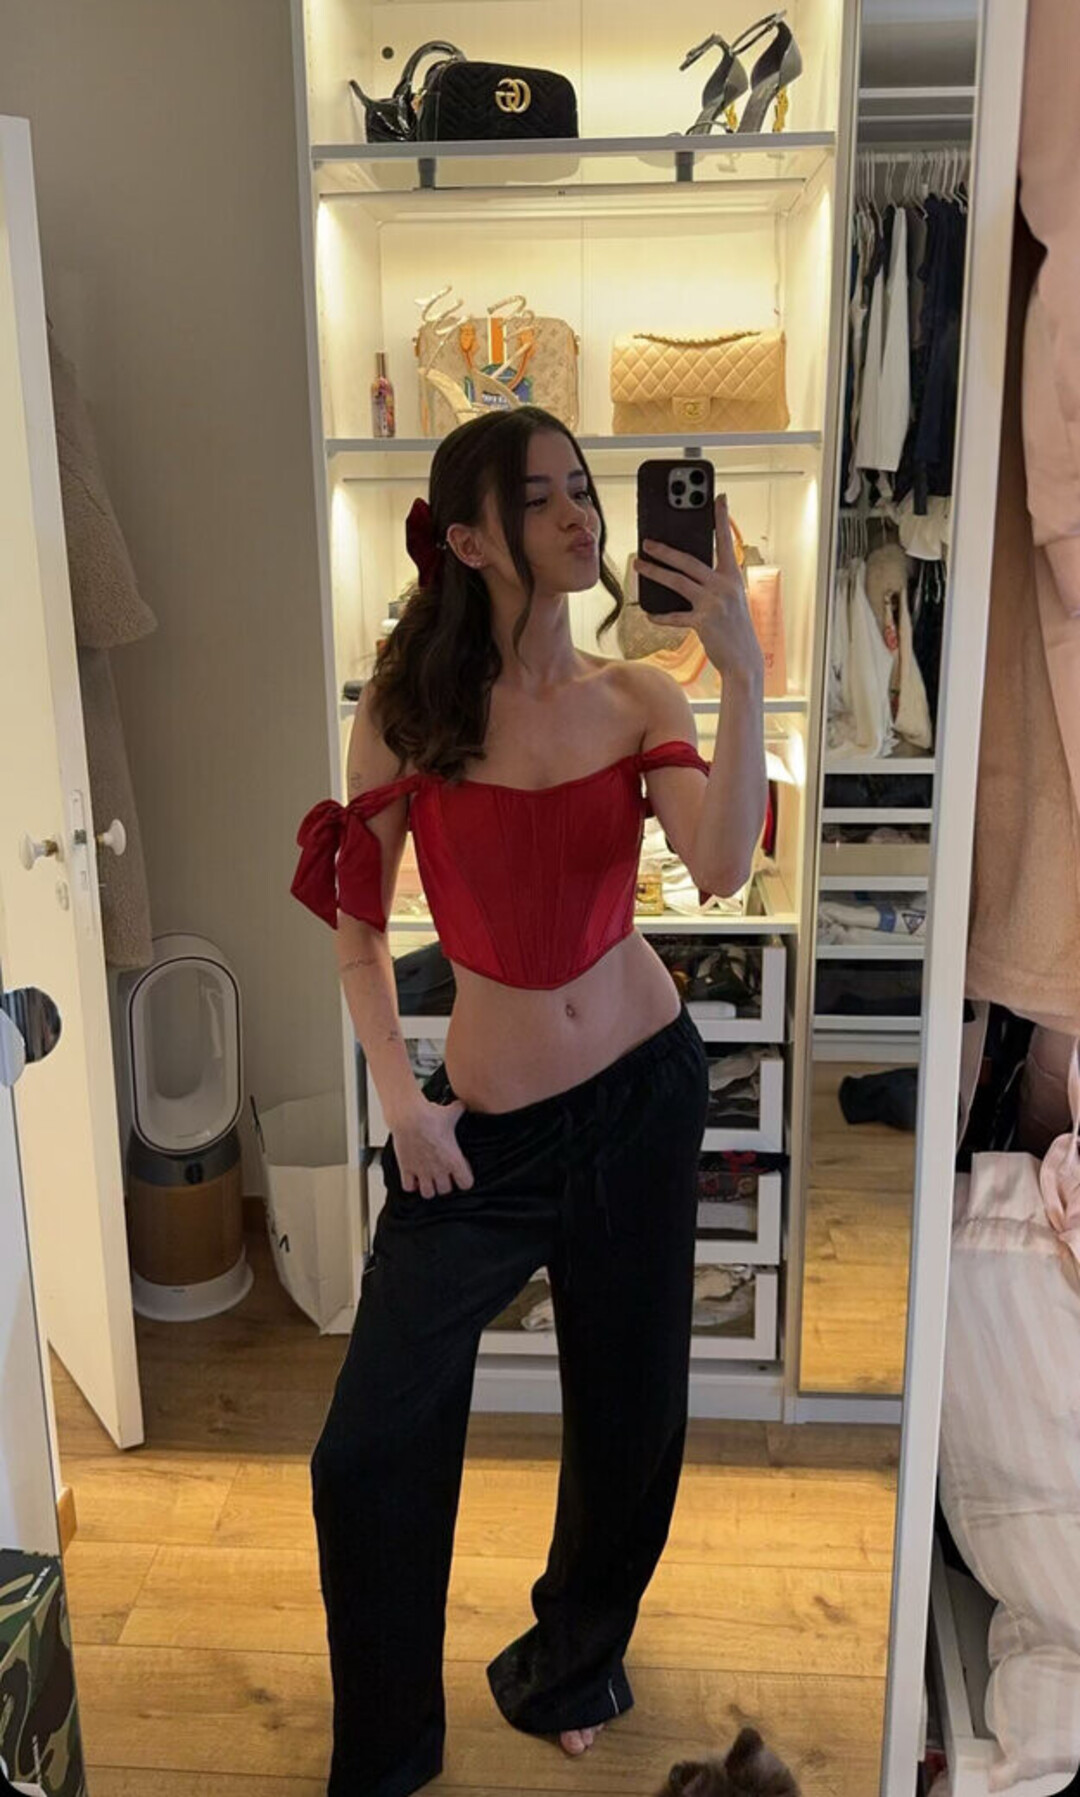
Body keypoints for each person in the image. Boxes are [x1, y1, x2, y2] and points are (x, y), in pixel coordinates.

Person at [290, 405, 767, 1797]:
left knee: (631, 1417)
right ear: (469, 538)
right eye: (543, 496)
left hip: (641, 1094)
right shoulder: (408, 713)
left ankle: (574, 1659)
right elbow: (359, 936)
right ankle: (389, 1746)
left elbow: (721, 867)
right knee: (366, 1447)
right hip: (476, 1137)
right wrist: (402, 1103)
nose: (581, 516)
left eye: (584, 491)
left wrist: (739, 672)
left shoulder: (641, 697)